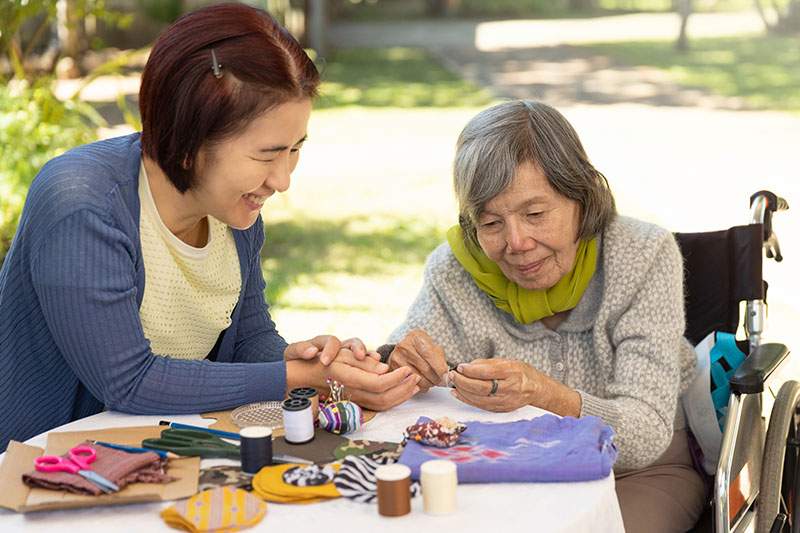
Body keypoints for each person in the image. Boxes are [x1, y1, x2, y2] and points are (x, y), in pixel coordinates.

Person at [0, 3, 419, 453]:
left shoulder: (234, 211)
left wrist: (308, 361)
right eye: (266, 155)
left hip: (158, 457)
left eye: (295, 149)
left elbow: (249, 340)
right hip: (45, 471)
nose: (282, 181)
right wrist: (295, 377)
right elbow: (129, 382)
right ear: (189, 140)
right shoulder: (81, 202)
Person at [384, 100, 705, 532]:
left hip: (637, 476)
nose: (516, 243)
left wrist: (545, 394)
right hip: (507, 472)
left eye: (535, 214)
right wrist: (401, 362)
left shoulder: (643, 254)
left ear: (581, 198)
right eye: (491, 223)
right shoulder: (456, 268)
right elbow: (401, 370)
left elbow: (646, 433)